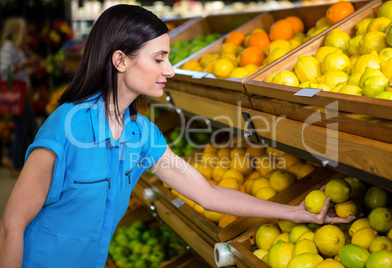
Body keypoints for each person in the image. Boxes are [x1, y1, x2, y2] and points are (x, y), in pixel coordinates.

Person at [0, 5, 354, 268]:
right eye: (159, 59)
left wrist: (296, 213)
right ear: (121, 60)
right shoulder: (67, 127)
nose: (170, 69)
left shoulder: (141, 136)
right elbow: (12, 225)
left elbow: (209, 194)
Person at [0, 17, 39, 178]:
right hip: (16, 93)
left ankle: (11, 157)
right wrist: (24, 64)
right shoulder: (8, 47)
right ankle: (14, 161)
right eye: (22, 29)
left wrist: (27, 54)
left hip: (21, 93)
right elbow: (4, 70)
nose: (25, 32)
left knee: (28, 126)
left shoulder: (17, 47)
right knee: (24, 127)